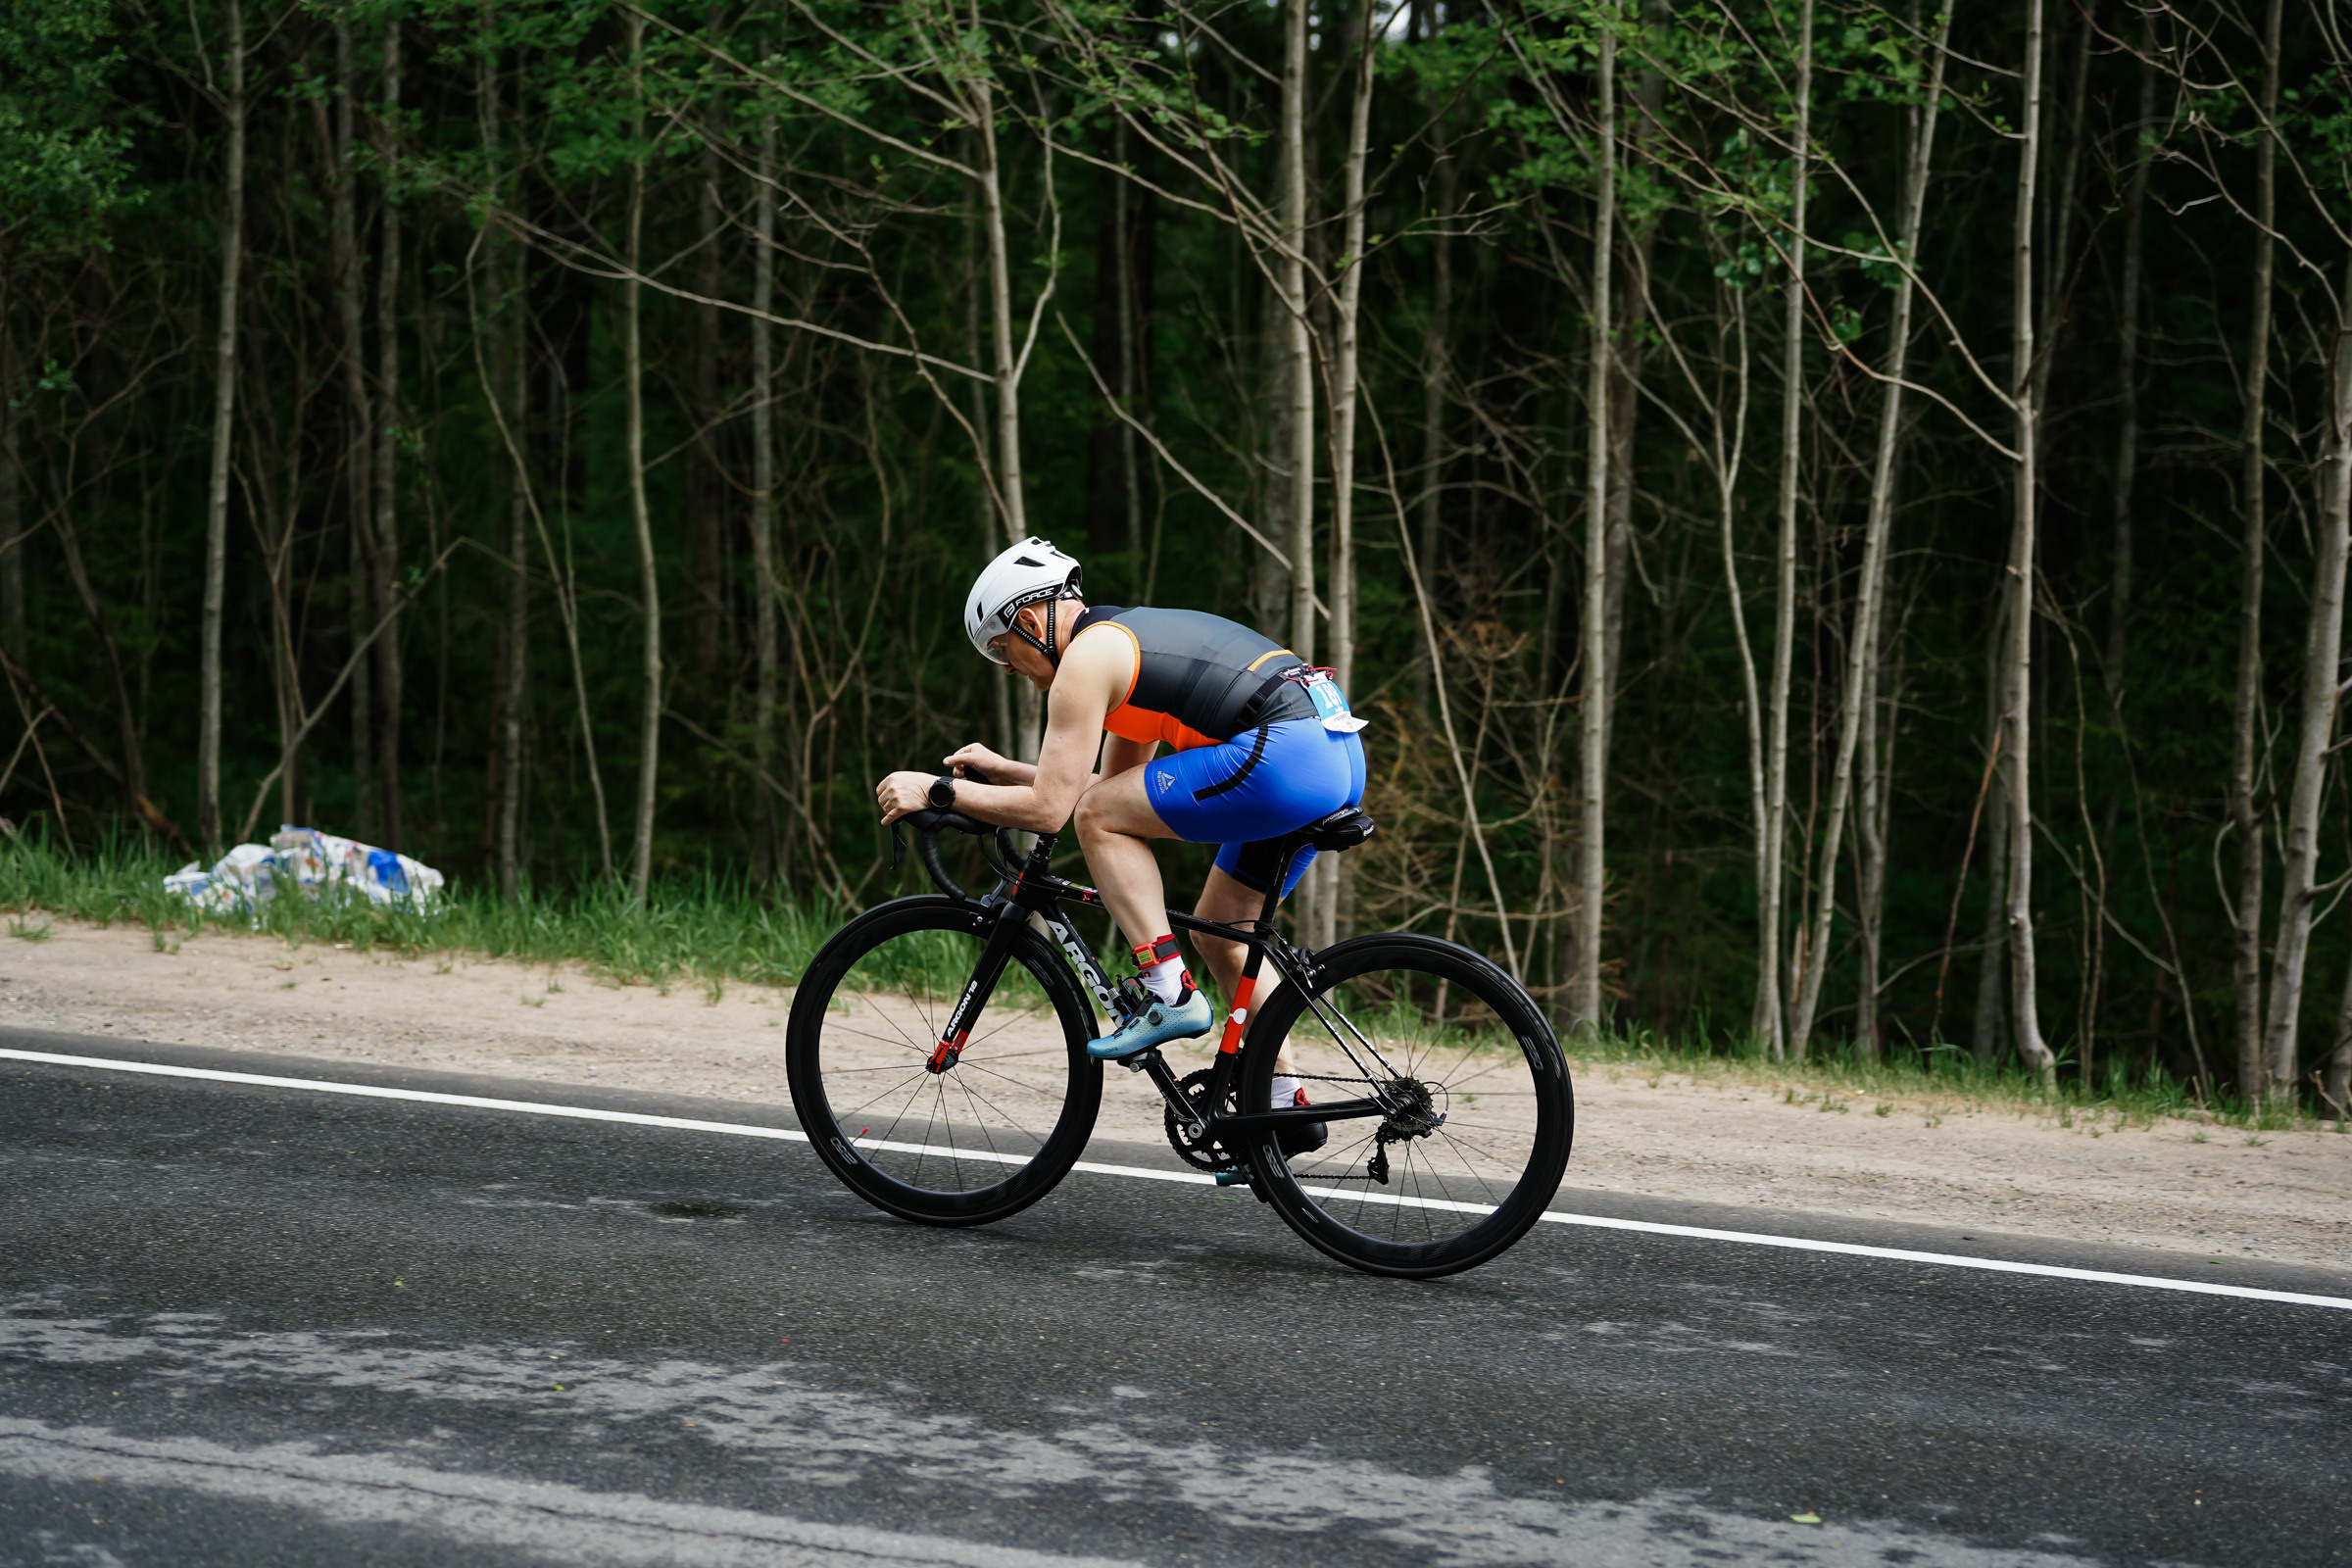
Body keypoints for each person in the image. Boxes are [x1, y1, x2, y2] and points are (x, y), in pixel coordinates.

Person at [874, 536, 1367, 1110]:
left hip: (1284, 753)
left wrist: (935, 790)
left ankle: (1168, 990)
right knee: (1218, 930)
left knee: (1098, 820)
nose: (1007, 667)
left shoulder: (1085, 661)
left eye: (1003, 649)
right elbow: (1102, 791)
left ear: (1031, 620)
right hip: (1331, 753)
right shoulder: (1124, 648)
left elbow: (1060, 812)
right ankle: (1282, 1103)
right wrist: (1004, 770)